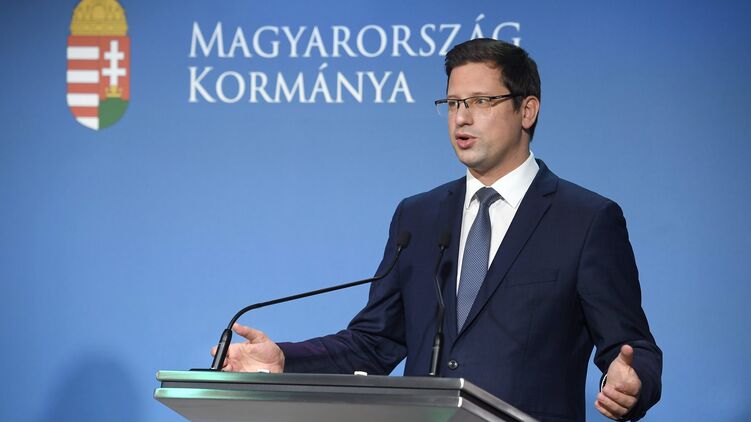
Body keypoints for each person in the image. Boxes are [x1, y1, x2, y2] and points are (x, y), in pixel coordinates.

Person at [212, 38, 662, 421]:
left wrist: (632, 381)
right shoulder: (418, 216)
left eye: (481, 101)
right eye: (453, 103)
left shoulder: (585, 219)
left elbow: (633, 346)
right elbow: (374, 341)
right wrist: (285, 358)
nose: (461, 118)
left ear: (527, 110)